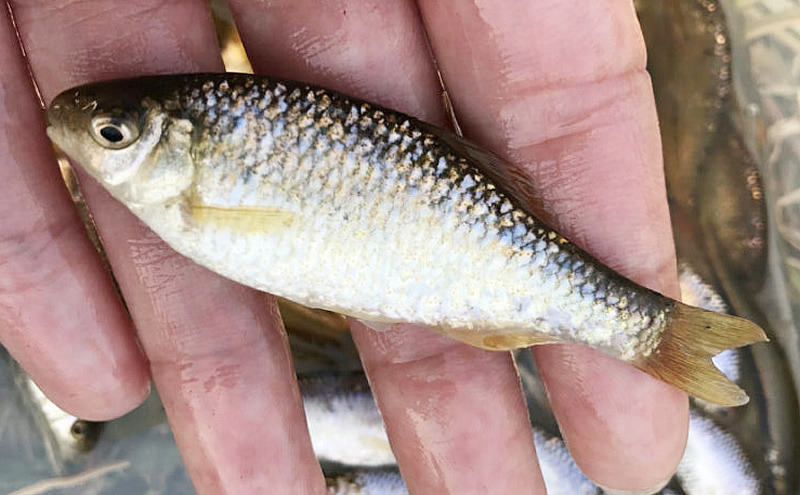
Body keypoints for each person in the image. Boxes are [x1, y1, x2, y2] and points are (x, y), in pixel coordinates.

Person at [0, 1, 687, 493]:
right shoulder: (188, 182)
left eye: (114, 135)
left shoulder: (194, 189)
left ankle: (646, 329)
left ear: (179, 141)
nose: (92, 142)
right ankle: (649, 331)